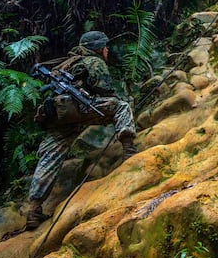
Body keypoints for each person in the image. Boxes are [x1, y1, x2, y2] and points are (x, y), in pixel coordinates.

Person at [25, 31, 137, 230]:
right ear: (98, 48)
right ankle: (129, 153)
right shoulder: (94, 61)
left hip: (59, 116)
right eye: (105, 46)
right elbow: (105, 89)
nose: (107, 50)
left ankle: (33, 210)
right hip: (82, 108)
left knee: (50, 156)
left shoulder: (66, 64)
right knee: (121, 106)